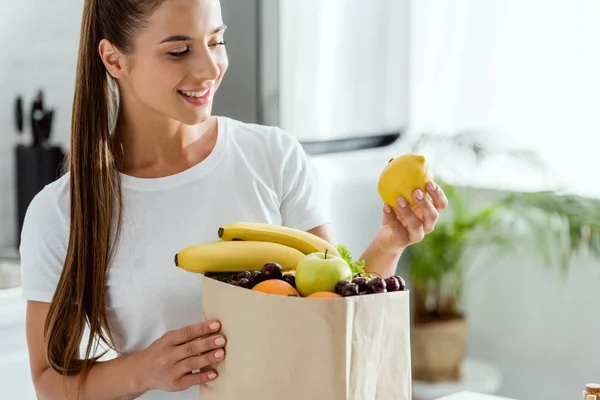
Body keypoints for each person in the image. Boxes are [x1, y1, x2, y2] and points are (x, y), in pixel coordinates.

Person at [18, 0, 448, 399]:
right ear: (114, 59)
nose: (209, 68)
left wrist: (388, 245)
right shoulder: (64, 210)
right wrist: (144, 370)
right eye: (178, 51)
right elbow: (48, 381)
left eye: (216, 41)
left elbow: (332, 314)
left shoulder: (272, 156)